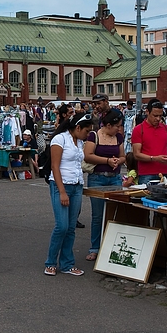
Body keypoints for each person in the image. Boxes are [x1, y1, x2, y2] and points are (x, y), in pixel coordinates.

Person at [44, 112, 94, 276]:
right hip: (61, 185)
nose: (87, 135)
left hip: (77, 185)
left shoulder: (79, 142)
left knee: (71, 227)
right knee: (62, 226)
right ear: (78, 127)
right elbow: (55, 166)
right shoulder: (60, 139)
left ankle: (67, 263)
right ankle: (51, 261)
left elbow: (79, 163)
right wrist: (62, 192)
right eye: (86, 131)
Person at [84, 110, 126, 261]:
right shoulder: (94, 136)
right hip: (97, 178)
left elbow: (123, 156)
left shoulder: (118, 137)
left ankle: (113, 246)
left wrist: (117, 161)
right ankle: (95, 247)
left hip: (115, 178)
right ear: (108, 125)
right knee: (98, 215)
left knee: (115, 214)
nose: (119, 129)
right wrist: (107, 161)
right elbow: (88, 155)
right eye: (117, 126)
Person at [131, 100, 167, 184]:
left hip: (165, 172)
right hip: (146, 174)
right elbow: (136, 154)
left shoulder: (166, 129)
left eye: (160, 116)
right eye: (155, 116)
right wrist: (155, 158)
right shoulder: (138, 129)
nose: (158, 119)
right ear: (147, 112)